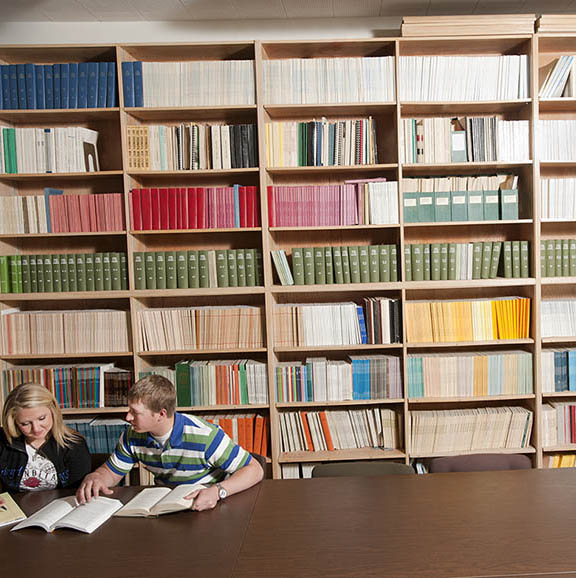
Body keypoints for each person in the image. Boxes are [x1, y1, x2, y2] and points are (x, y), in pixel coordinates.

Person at [76, 375, 263, 510]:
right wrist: (97, 477)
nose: (127, 417)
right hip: (165, 506)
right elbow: (111, 472)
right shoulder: (131, 436)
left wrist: (217, 491)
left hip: (208, 505)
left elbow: (255, 469)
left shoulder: (205, 436)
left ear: (161, 414)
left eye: (135, 412)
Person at [0, 383, 91, 505]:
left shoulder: (74, 444)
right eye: (25, 424)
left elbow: (78, 492)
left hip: (60, 508)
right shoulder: (2, 442)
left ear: (53, 411)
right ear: (13, 422)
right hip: (15, 511)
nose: (36, 429)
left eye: (42, 418)